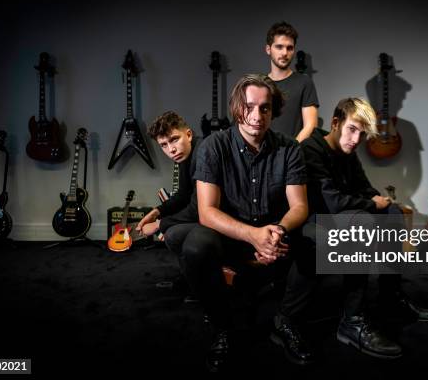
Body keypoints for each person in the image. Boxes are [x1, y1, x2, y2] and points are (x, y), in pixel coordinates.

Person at [181, 74, 316, 372]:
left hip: (273, 235)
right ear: (236, 108)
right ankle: (222, 327)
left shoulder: (289, 148)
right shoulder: (213, 146)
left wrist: (276, 232)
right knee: (195, 247)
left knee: (321, 234)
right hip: (230, 235)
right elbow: (207, 212)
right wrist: (252, 235)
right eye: (249, 107)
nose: (257, 116)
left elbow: (300, 206)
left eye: (265, 108)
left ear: (273, 110)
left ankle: (285, 320)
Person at [300, 97, 428, 359]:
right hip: (315, 219)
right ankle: (351, 321)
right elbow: (333, 202)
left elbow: (364, 187)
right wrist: (372, 204)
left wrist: (381, 203)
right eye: (352, 129)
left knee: (393, 213)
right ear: (336, 123)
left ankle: (390, 296)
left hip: (343, 213)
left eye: (362, 134)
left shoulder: (348, 151)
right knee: (363, 221)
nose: (356, 139)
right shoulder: (311, 149)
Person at [135, 111, 199, 253]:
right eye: (164, 145)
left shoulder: (203, 153)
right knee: (172, 231)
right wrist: (156, 212)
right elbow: (183, 194)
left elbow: (199, 208)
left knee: (173, 234)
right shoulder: (185, 155)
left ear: (188, 135)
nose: (171, 150)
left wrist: (159, 224)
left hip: (229, 219)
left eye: (174, 139)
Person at [265, 21, 319, 142]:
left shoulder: (304, 82)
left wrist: (290, 151)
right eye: (279, 47)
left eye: (289, 48)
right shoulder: (260, 84)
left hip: (293, 155)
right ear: (268, 49)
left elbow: (311, 126)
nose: (285, 53)